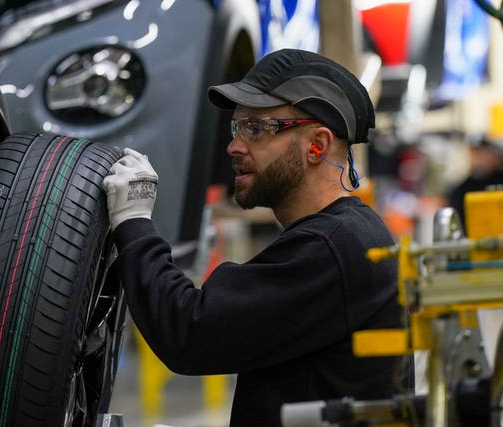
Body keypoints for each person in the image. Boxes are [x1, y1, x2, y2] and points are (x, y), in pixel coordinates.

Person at [103, 48, 408, 427]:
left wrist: (133, 221)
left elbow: (190, 331)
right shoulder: (337, 236)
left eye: (256, 129)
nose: (234, 145)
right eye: (237, 128)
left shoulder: (332, 247)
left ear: (318, 145)